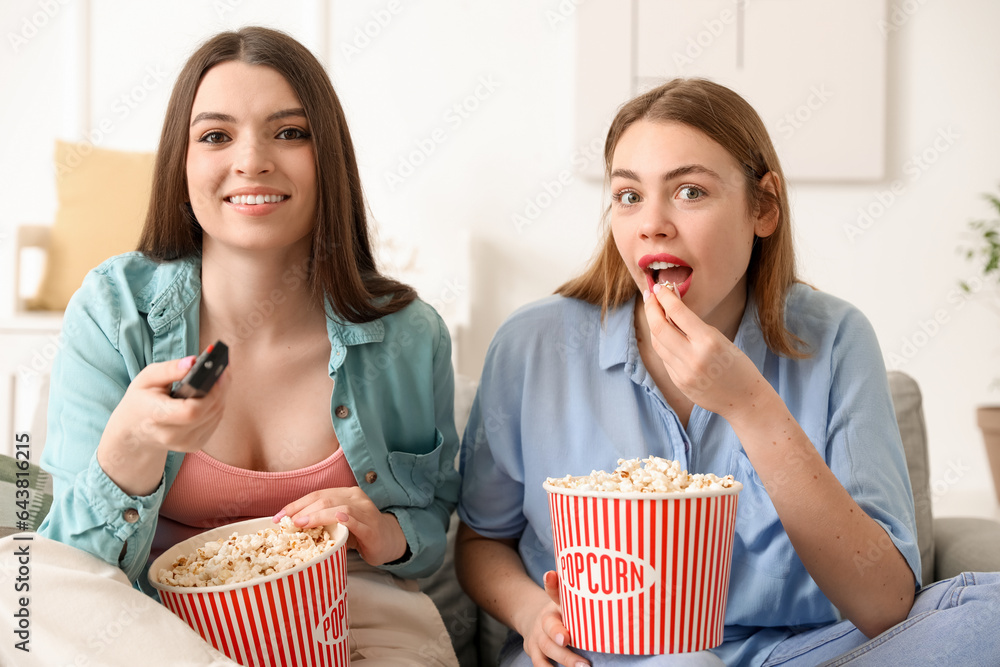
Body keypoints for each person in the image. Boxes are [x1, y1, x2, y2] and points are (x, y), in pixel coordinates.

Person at [455, 78, 1000, 666]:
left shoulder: (836, 338)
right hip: (601, 656)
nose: (651, 224)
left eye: (689, 191)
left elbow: (887, 605)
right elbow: (482, 539)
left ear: (763, 206)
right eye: (629, 196)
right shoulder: (534, 345)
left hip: (795, 654)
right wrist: (530, 611)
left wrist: (751, 406)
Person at [22, 26, 459, 666]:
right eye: (216, 136)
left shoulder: (409, 333)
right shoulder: (114, 309)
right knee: (23, 590)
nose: (251, 160)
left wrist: (385, 530)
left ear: (328, 156)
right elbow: (73, 565)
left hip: (344, 616)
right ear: (183, 161)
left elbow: (431, 519)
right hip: (150, 622)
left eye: (289, 132)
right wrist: (133, 446)